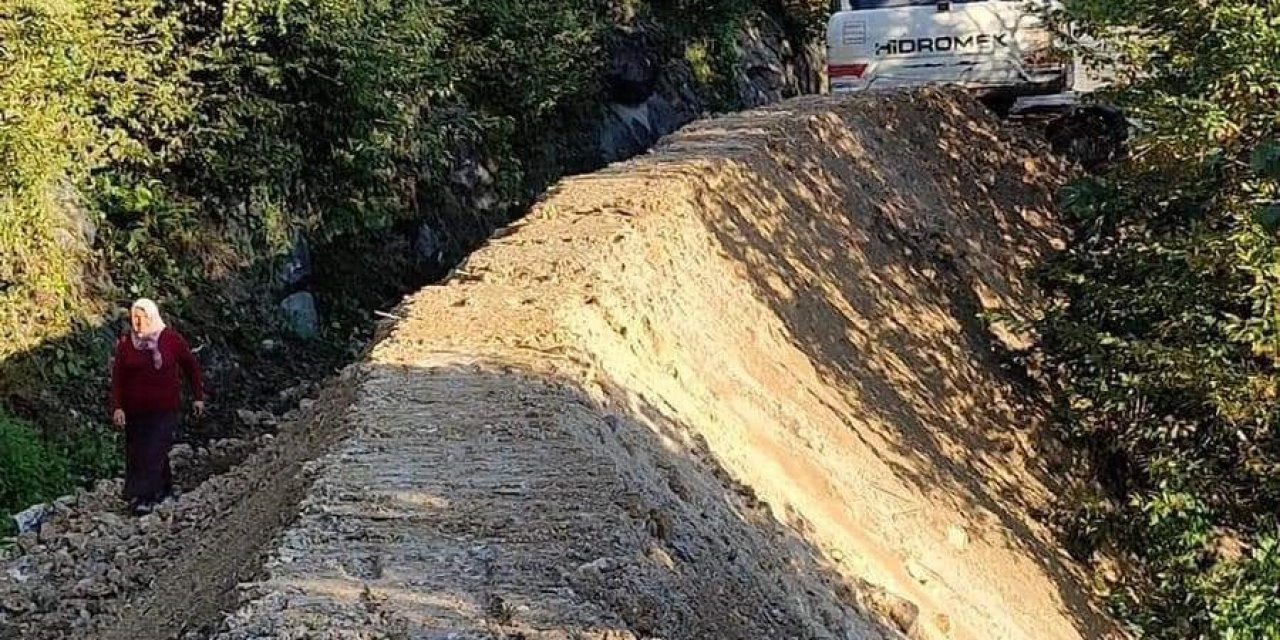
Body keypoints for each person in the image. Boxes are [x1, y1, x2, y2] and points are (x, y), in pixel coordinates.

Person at [110, 298, 205, 515]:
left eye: (141, 318)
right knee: (138, 451)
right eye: (134, 318)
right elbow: (118, 378)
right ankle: (164, 489)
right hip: (135, 410)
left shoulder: (170, 339)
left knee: (154, 448)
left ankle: (146, 496)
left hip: (164, 408)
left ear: (151, 317)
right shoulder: (127, 344)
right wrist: (118, 407)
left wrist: (198, 396)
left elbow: (190, 366)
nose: (137, 322)